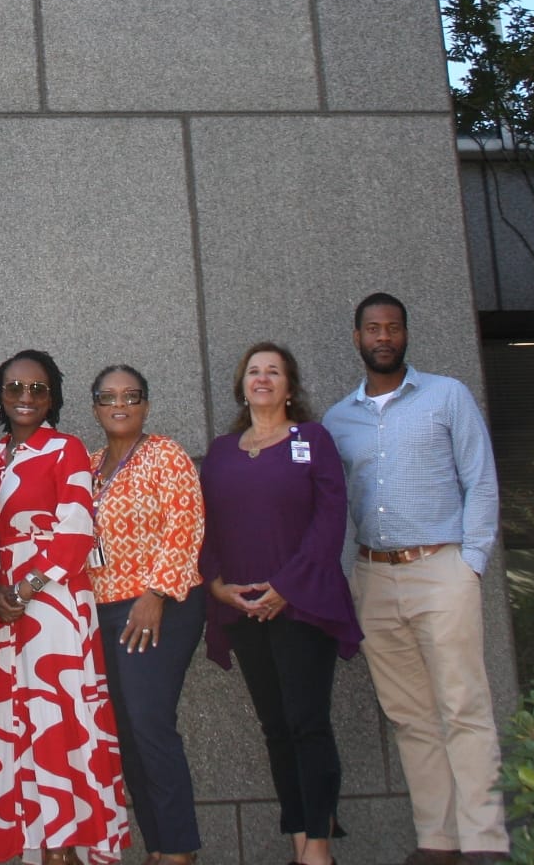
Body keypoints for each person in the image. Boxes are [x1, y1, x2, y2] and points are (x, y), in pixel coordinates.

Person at [322, 293, 508, 865]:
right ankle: (438, 840)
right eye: (373, 329)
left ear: (406, 334)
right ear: (356, 338)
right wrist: (350, 577)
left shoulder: (446, 396)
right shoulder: (337, 419)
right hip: (375, 578)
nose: (383, 337)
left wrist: (471, 561)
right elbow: (337, 506)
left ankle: (484, 842)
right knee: (410, 715)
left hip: (442, 569)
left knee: (464, 706)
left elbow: (481, 480)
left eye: (393, 328)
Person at [200, 343, 360, 865]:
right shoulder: (222, 451)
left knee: (306, 722)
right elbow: (208, 531)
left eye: (274, 371)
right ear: (241, 385)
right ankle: (299, 839)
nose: (263, 378)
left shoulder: (312, 440)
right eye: (254, 371)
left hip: (302, 605)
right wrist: (217, 585)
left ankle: (318, 848)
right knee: (275, 727)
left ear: (290, 387)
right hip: (242, 609)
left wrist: (287, 586)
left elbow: (329, 521)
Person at [0, 349, 128, 865]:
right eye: (16, 387)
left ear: (53, 398)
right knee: (12, 719)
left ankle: (65, 847)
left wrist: (24, 589)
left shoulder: (66, 449)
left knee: (57, 717)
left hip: (54, 602)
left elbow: (76, 533)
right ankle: (29, 846)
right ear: (0, 394)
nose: (26, 397)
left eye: (38, 389)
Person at [86, 364, 206, 865]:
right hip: (104, 610)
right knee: (127, 731)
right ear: (95, 406)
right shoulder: (90, 465)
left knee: (151, 722)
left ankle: (179, 850)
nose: (121, 404)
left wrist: (155, 593)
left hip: (161, 606)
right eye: (109, 396)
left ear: (146, 405)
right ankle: (158, 844)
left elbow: (187, 522)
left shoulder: (166, 454)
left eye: (131, 395)